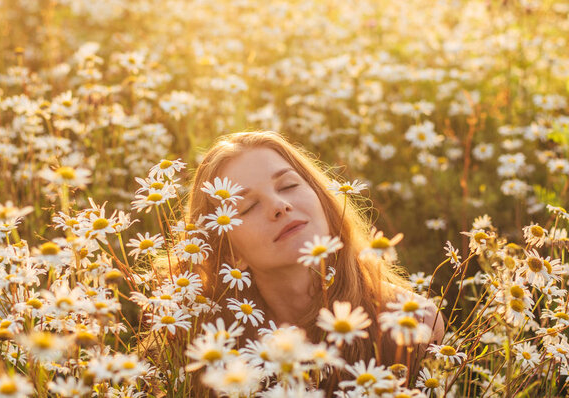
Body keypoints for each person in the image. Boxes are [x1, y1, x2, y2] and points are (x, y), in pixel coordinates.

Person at [161, 130, 443, 390]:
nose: (279, 206)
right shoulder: (198, 342)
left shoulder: (414, 324)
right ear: (232, 255)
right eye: (248, 207)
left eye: (288, 185)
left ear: (322, 198)